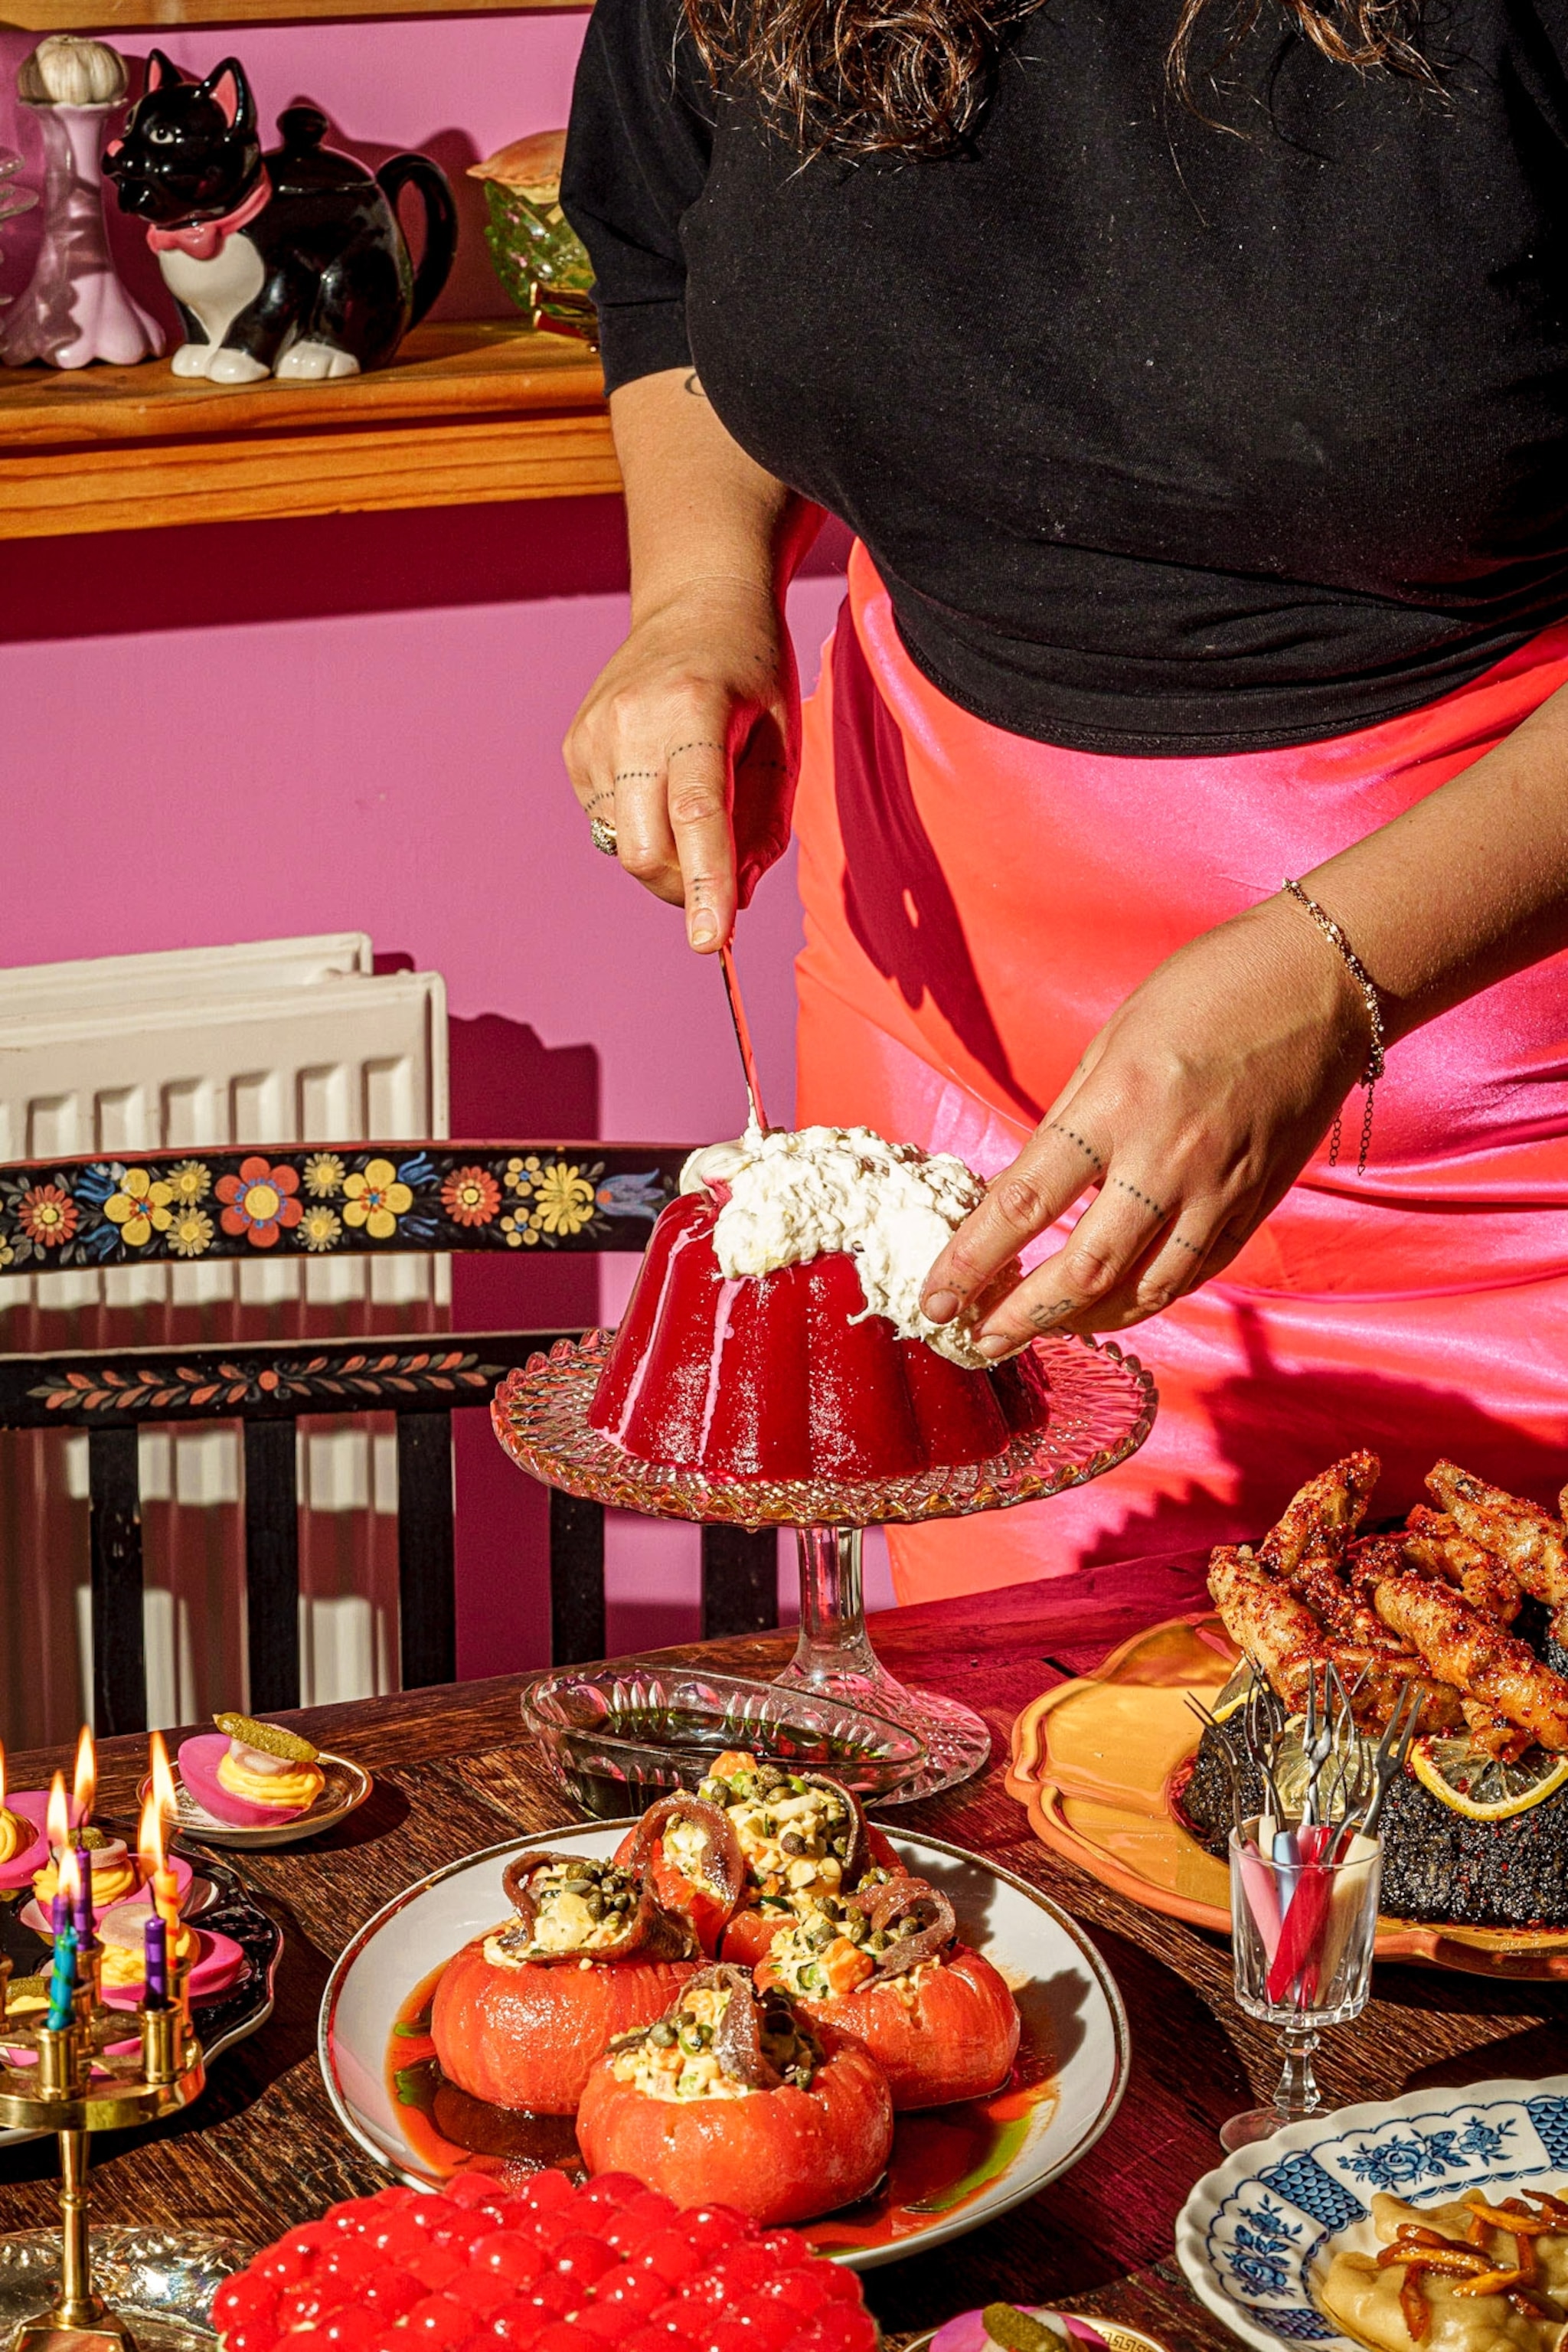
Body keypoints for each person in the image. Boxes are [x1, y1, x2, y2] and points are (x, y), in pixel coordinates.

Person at [556, 0, 1568, 1602]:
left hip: (1504, 1135)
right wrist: (695, 599)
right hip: (954, 1076)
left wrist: (1331, 970)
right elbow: (662, 257)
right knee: (1040, 1793)